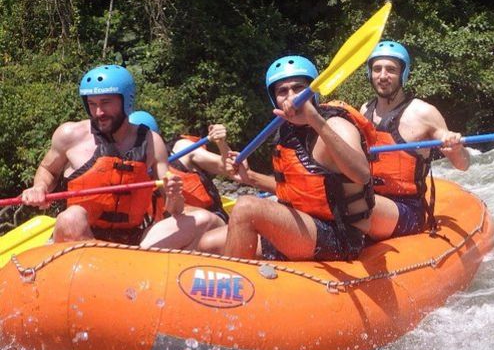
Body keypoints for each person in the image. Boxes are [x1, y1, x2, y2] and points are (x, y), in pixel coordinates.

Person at [21, 64, 218, 249]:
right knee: (71, 217)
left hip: (132, 240)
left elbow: (174, 209)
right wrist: (39, 187)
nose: (99, 112)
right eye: (92, 104)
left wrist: (174, 195)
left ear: (126, 101)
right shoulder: (69, 135)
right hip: (80, 234)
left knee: (204, 219)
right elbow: (48, 169)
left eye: (106, 103)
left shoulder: (151, 141)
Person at [199, 55, 375, 260]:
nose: (291, 97)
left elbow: (362, 175)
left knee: (246, 206)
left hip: (339, 236)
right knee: (207, 244)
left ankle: (233, 287)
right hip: (300, 226)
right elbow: (293, 191)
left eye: (299, 88)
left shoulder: (335, 125)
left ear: (313, 92)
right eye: (282, 91)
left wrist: (315, 119)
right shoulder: (286, 131)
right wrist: (250, 177)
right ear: (275, 99)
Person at [361, 40, 471, 240]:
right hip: (371, 200)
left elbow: (463, 165)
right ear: (370, 73)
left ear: (402, 73)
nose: (383, 76)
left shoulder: (423, 112)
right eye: (377, 69)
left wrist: (454, 148)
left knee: (357, 206)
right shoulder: (364, 110)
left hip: (407, 209)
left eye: (391, 70)